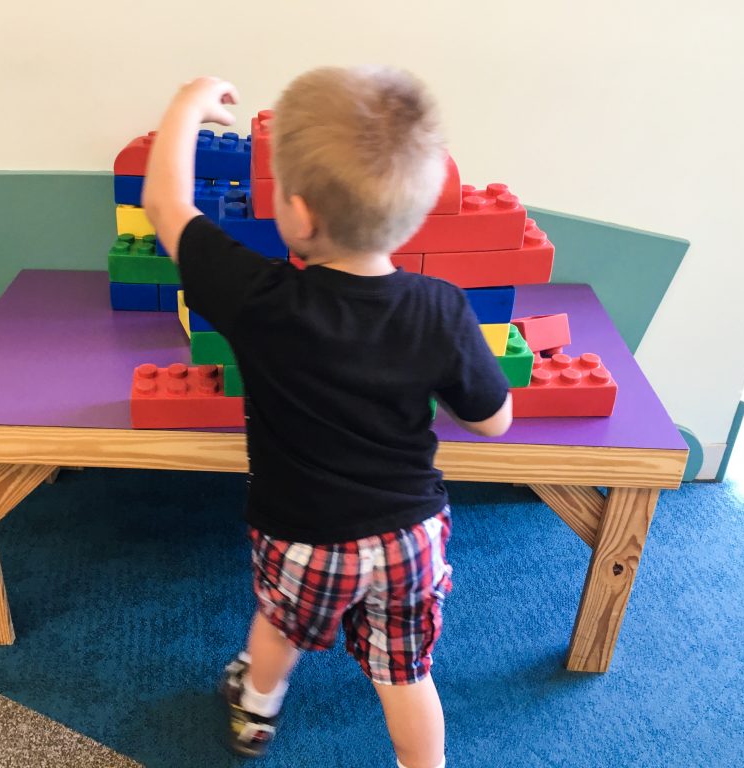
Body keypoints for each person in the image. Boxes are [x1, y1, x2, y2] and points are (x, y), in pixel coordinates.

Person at [142, 66, 512, 768]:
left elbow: (166, 206)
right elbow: (494, 421)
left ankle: (256, 710)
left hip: (304, 538)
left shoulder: (260, 297)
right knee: (404, 673)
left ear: (301, 214)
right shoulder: (441, 307)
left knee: (279, 628)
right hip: (411, 538)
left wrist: (188, 102)